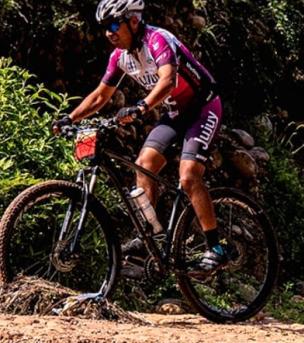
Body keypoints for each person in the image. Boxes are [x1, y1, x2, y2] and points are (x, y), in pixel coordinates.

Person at [52, 0, 226, 274]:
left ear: (133, 21)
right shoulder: (119, 56)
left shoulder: (158, 40)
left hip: (203, 107)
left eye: (113, 25)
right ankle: (152, 234)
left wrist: (142, 106)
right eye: (103, 28)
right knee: (144, 163)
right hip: (175, 112)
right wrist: (69, 118)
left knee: (189, 175)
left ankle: (216, 246)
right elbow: (100, 96)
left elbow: (168, 81)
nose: (109, 33)